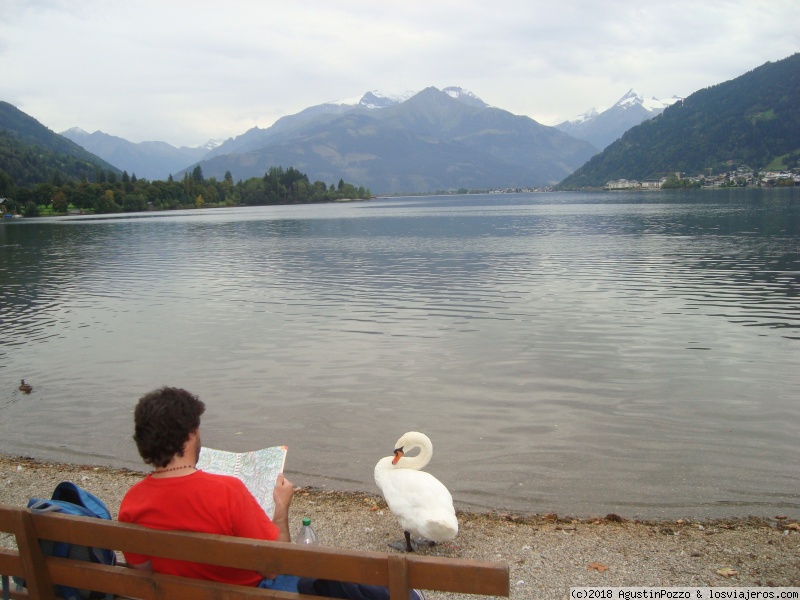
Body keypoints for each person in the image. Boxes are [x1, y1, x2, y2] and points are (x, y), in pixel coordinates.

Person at [119, 386, 424, 600]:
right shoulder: (226, 491)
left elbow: (142, 570)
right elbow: (274, 564)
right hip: (254, 592)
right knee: (328, 573)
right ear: (189, 435)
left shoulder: (133, 501)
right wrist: (281, 509)